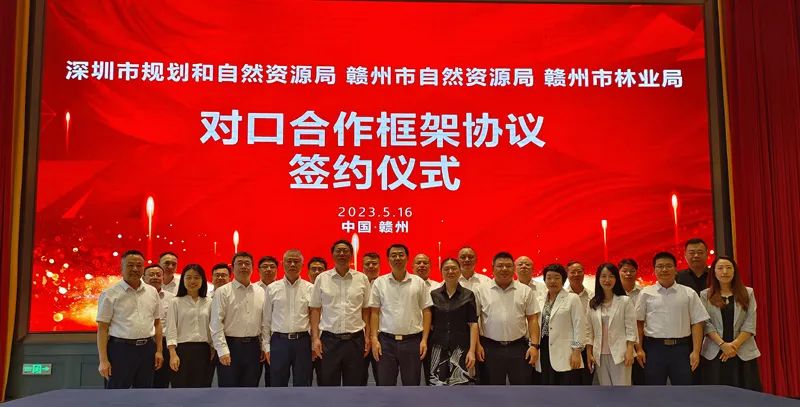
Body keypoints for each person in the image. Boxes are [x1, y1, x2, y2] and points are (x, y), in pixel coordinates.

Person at [636, 252, 709, 385]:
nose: (664, 269)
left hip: (681, 350)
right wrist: (639, 348)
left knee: (683, 390)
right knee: (653, 391)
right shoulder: (645, 293)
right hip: (654, 349)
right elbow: (638, 323)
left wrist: (696, 351)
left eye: (668, 266)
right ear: (654, 270)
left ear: (676, 269)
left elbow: (698, 322)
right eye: (660, 266)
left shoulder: (688, 293)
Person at [96, 250, 163, 389]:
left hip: (147, 350)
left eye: (139, 265)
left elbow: (157, 323)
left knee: (145, 394)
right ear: (121, 268)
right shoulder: (109, 294)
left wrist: (159, 351)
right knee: (117, 395)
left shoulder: (152, 292)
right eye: (130, 265)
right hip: (120, 350)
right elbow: (102, 329)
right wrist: (103, 360)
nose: (135, 269)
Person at [370, 243, 433, 386]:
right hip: (386, 342)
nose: (397, 258)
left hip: (412, 341)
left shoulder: (418, 282)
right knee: (385, 386)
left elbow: (427, 311)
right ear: (388, 259)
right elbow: (374, 312)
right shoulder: (380, 282)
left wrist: (424, 340)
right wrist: (374, 339)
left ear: (407, 258)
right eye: (393, 255)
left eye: (401, 255)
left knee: (412, 385)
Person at [310, 240, 371, 386]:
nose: (342, 253)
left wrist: (368, 336)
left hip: (355, 341)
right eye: (338, 251)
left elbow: (366, 310)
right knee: (328, 386)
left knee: (356, 386)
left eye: (345, 251)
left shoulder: (362, 278)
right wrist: (315, 338)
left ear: (351, 254)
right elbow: (315, 309)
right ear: (332, 254)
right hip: (329, 341)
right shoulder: (322, 278)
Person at [474, 252, 540, 385]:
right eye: (500, 266)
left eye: (508, 266)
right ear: (493, 268)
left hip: (519, 347)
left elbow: (532, 319)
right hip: (489, 348)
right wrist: (477, 345)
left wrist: (534, 346)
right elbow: (474, 321)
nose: (504, 269)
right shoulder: (481, 290)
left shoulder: (525, 290)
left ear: (513, 268)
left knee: (522, 387)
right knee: (490, 389)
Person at [699, 256, 761, 391]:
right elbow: (706, 323)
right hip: (715, 352)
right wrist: (723, 345)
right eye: (720, 268)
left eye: (729, 268)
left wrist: (734, 346)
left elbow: (750, 322)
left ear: (734, 271)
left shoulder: (748, 292)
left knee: (746, 393)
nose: (725, 272)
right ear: (714, 272)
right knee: (716, 394)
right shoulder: (705, 295)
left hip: (742, 351)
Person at [210, 252, 266, 387]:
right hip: (230, 346)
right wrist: (222, 350)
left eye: (247, 263)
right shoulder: (223, 291)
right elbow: (216, 323)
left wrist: (263, 346)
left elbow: (264, 323)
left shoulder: (261, 291)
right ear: (232, 267)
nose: (244, 266)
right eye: (239, 263)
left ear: (252, 267)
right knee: (228, 390)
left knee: (251, 389)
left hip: (254, 347)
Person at [262, 249, 314, 387]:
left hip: (303, 342)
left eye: (296, 261)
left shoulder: (310, 288)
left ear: (302, 264)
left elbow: (314, 320)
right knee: (277, 384)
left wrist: (314, 342)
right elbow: (266, 320)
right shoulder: (272, 288)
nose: (292, 264)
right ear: (282, 263)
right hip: (279, 342)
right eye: (289, 261)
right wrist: (266, 346)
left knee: (303, 383)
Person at [428, 258, 478, 385]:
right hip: (438, 348)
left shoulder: (468, 295)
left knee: (460, 387)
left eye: (454, 268)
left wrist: (472, 351)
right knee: (438, 387)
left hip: (461, 349)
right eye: (446, 269)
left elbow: (473, 324)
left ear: (460, 271)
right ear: (441, 272)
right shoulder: (434, 295)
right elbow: (430, 323)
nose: (450, 271)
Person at [585, 263, 637, 386]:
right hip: (600, 354)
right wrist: (589, 352)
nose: (607, 280)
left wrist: (630, 350)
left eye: (611, 276)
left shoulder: (625, 301)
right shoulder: (593, 303)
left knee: (622, 390)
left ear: (616, 279)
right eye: (603, 276)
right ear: (598, 279)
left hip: (621, 354)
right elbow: (588, 330)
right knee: (605, 390)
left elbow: (631, 328)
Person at [536, 263, 586, 385]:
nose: (552, 281)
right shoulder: (540, 299)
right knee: (547, 385)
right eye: (549, 278)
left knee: (565, 386)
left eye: (557, 278)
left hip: (565, 351)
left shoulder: (572, 298)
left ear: (563, 280)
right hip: (544, 349)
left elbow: (579, 326)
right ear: (544, 280)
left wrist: (576, 351)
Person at [166, 264, 214, 387]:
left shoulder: (209, 302)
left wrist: (213, 348)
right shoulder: (175, 302)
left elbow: (213, 328)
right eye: (188, 277)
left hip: (204, 351)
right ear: (183, 280)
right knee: (181, 388)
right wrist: (172, 354)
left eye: (196, 277)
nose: (192, 281)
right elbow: (171, 329)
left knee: (202, 388)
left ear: (202, 280)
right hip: (181, 351)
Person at [144, 264, 175, 388]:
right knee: (142, 383)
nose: (155, 277)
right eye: (151, 274)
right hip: (144, 342)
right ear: (143, 277)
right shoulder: (137, 296)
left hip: (165, 343)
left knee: (161, 383)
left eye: (158, 275)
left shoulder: (172, 298)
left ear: (163, 278)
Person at [565, 260, 594, 384]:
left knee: (588, 383)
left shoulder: (593, 296)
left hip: (589, 347)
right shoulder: (562, 296)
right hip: (568, 348)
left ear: (584, 273)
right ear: (567, 274)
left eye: (579, 271)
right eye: (573, 272)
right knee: (571, 383)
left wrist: (590, 348)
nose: (576, 274)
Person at [618, 258, 644, 385]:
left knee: (641, 378)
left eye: (632, 271)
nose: (628, 274)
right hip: (620, 342)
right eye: (625, 271)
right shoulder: (613, 294)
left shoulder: (643, 293)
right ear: (619, 272)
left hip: (641, 340)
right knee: (621, 381)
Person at [255, 255, 278, 386]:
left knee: (273, 379)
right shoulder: (252, 289)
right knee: (252, 379)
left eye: (272, 266)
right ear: (258, 270)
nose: (268, 269)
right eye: (265, 267)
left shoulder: (282, 288)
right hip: (255, 341)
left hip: (276, 340)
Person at [361, 252, 381, 385]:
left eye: (374, 263)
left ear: (380, 265)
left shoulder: (385, 283)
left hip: (381, 338)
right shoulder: (356, 283)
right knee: (359, 378)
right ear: (362, 266)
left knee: (382, 377)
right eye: (367, 264)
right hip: (359, 338)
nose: (371, 266)